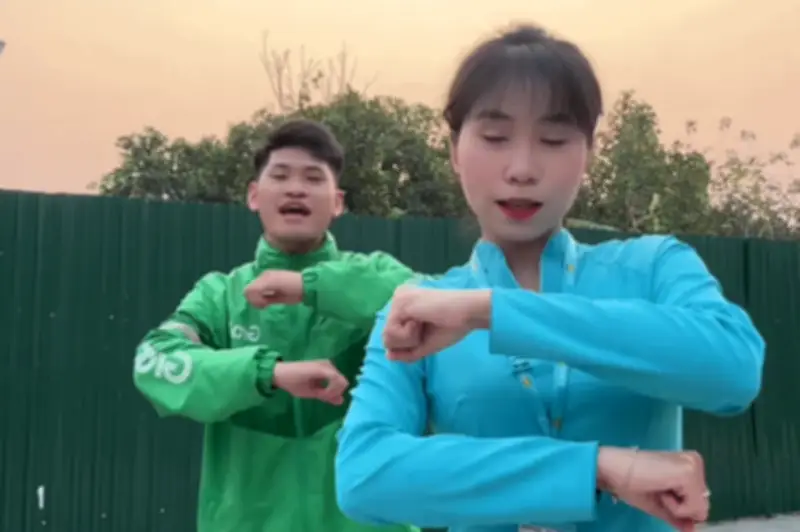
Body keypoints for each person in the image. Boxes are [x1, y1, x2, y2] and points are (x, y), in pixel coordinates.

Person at [329, 24, 766, 532]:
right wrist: (598, 469)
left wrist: (492, 312)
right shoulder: (418, 312)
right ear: (454, 150)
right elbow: (363, 475)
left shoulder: (653, 266)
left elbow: (733, 370)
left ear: (589, 153)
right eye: (494, 138)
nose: (522, 168)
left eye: (554, 140)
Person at [132, 119, 416, 532]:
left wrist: (307, 286)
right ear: (254, 195)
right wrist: (268, 373)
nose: (295, 189)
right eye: (280, 176)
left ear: (338, 202)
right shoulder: (219, 297)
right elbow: (154, 361)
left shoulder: (379, 277)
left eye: (313, 178)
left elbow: (425, 302)